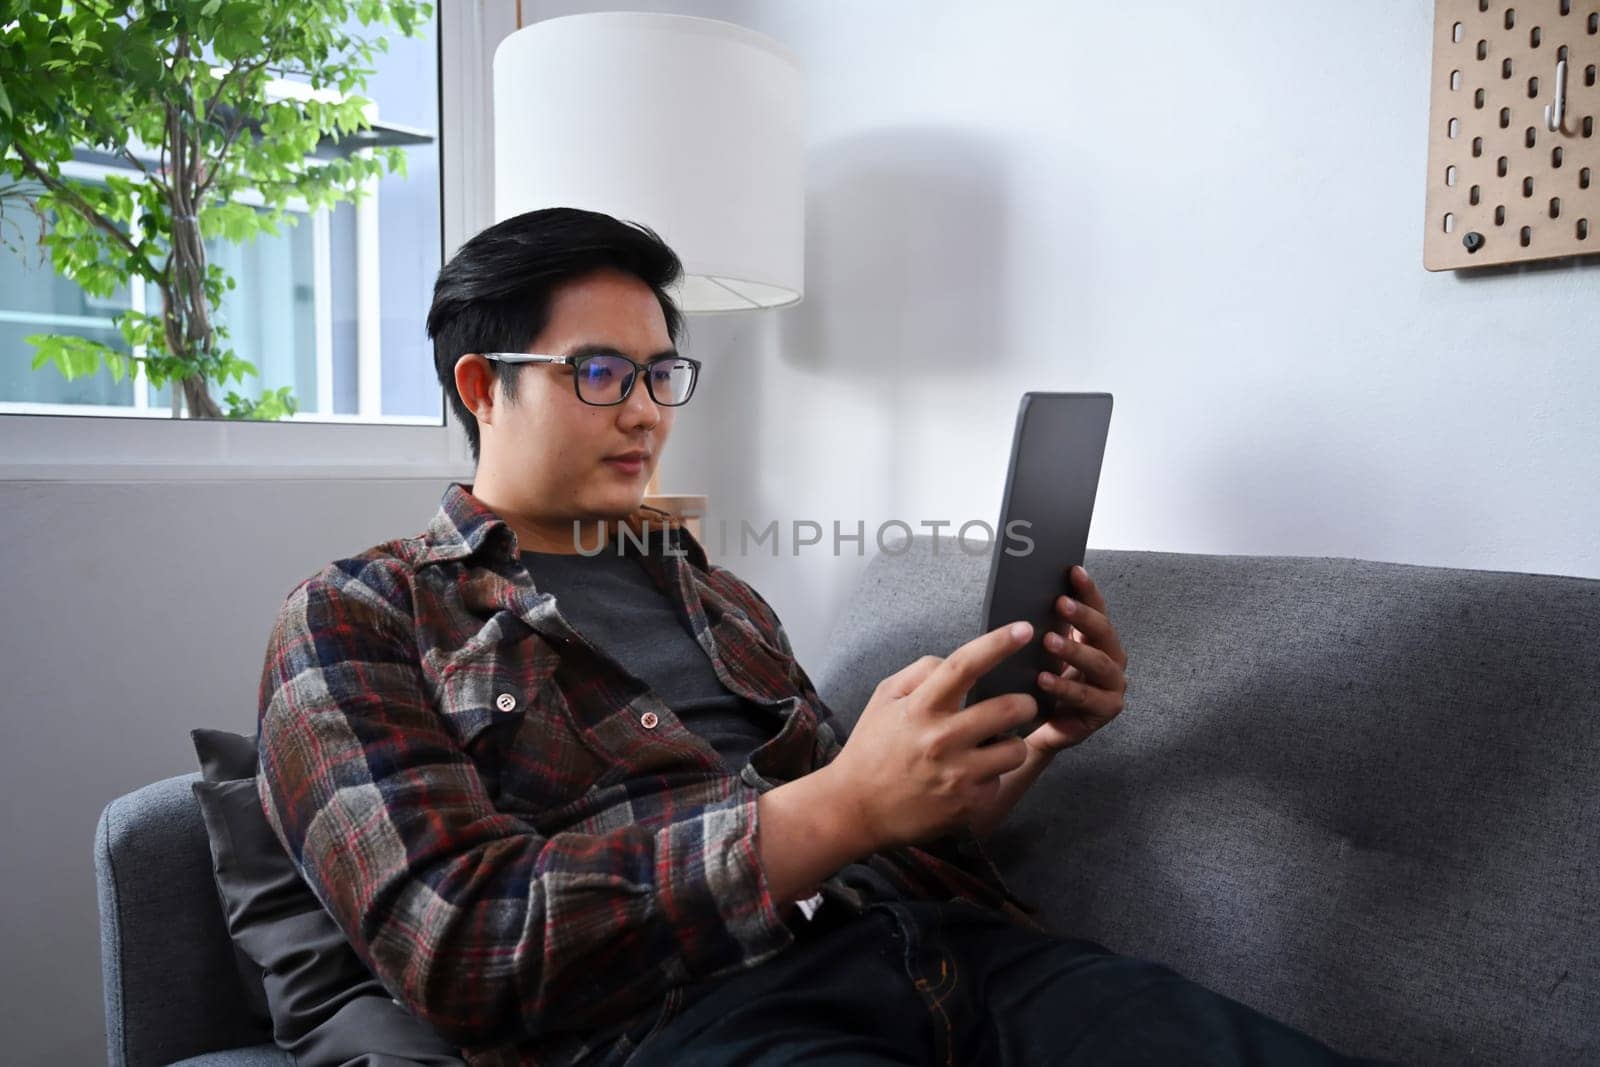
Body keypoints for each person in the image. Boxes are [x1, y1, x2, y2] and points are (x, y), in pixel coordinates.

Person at [256, 207, 1397, 1066]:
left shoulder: (718, 596)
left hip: (955, 948)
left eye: (659, 371)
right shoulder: (360, 614)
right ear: (483, 385)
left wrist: (1028, 731)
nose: (647, 408)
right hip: (695, 1017)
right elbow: (462, 947)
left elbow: (882, 822)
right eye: (599, 371)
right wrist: (841, 803)